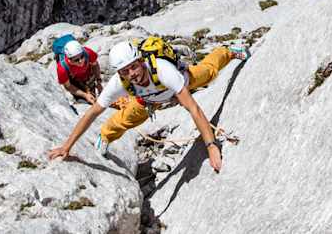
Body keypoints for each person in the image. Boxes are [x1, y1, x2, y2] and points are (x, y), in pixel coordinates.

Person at [47, 40, 249, 173]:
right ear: (119, 73)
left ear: (141, 61)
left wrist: (211, 146)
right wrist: (67, 146)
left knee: (209, 73)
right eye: (125, 71)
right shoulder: (119, 83)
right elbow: (92, 112)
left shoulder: (163, 70)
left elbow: (193, 109)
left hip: (181, 83)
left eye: (134, 66)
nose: (132, 74)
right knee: (124, 120)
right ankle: (105, 136)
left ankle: (228, 51)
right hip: (147, 101)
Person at [55, 39, 101, 105]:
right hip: (74, 82)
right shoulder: (62, 68)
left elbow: (95, 65)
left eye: (82, 57)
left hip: (88, 75)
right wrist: (85, 95)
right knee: (84, 102)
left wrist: (98, 82)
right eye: (76, 60)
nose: (80, 61)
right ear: (69, 59)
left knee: (93, 97)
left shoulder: (88, 52)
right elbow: (68, 86)